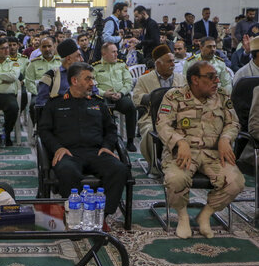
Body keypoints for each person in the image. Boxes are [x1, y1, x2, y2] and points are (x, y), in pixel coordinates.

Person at [156, 61, 245, 239]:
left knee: (236, 182)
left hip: (213, 153)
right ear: (195, 79)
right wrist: (180, 142)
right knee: (175, 179)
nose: (216, 81)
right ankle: (183, 217)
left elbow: (233, 122)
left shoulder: (222, 96)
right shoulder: (174, 96)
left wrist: (226, 138)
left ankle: (205, 214)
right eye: (211, 77)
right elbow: (162, 125)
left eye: (217, 76)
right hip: (183, 153)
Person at [38, 62, 129, 228]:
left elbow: (111, 129)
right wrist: (57, 147)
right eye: (88, 79)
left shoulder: (98, 103)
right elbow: (44, 131)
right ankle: (74, 214)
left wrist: (107, 146)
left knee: (119, 169)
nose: (92, 83)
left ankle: (102, 215)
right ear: (74, 81)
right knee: (66, 171)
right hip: (69, 153)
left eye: (92, 79)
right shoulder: (55, 104)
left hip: (96, 152)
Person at [132, 45, 185, 170]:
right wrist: (153, 98)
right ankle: (154, 164)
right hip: (152, 117)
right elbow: (136, 98)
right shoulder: (144, 79)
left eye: (173, 61)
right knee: (151, 131)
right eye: (169, 61)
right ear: (158, 64)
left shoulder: (181, 78)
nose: (173, 64)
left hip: (178, 116)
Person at [92, 42, 138, 151]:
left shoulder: (121, 65)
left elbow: (128, 82)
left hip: (120, 96)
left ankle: (130, 140)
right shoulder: (95, 67)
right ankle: (109, 140)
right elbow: (92, 86)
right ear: (104, 54)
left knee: (131, 107)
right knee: (105, 109)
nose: (117, 54)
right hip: (103, 97)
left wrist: (121, 93)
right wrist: (104, 93)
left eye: (117, 51)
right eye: (113, 52)